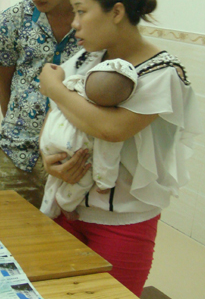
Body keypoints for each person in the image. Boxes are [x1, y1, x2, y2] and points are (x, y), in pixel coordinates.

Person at [38, 0, 202, 296]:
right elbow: (60, 121)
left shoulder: (162, 73)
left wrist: (53, 88)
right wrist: (50, 163)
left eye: (81, 12)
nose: (75, 23)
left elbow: (111, 129)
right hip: (67, 209)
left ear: (116, 11)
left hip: (122, 224)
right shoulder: (85, 60)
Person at [0, 0, 82, 208]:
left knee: (60, 245)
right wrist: (15, 125)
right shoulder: (12, 20)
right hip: (15, 154)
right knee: (6, 239)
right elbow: (4, 82)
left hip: (68, 158)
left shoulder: (92, 23)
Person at [39, 58, 138, 220]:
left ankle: (46, 208)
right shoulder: (104, 120)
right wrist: (104, 182)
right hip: (74, 149)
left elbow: (56, 101)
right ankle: (65, 204)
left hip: (49, 141)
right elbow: (105, 158)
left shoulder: (74, 86)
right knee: (82, 179)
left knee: (55, 178)